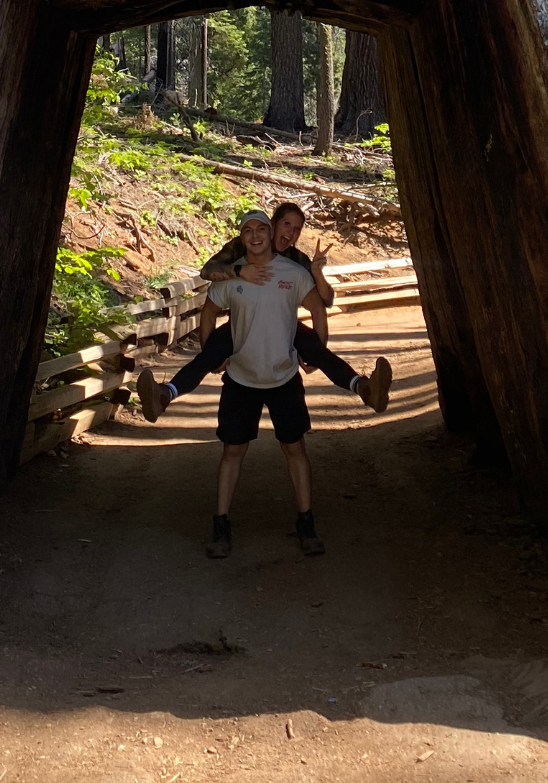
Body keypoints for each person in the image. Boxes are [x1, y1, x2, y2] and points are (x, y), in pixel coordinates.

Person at [135, 200, 392, 420]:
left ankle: (366, 390)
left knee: (318, 351)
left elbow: (324, 302)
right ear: (272, 226)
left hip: (283, 326)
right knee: (208, 356)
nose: (291, 233)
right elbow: (207, 272)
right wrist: (239, 270)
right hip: (243, 324)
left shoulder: (296, 259)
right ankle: (164, 395)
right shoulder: (243, 245)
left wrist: (317, 274)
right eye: (287, 225)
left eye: (297, 229)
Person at [185, 211, 329, 558]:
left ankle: (306, 523)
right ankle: (220, 526)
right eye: (248, 230)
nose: (255, 236)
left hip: (283, 376)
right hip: (241, 378)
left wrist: (318, 352)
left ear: (271, 231)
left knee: (294, 448)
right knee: (232, 451)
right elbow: (208, 309)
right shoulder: (232, 270)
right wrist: (212, 353)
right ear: (242, 237)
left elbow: (321, 307)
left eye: (260, 229)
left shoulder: (295, 270)